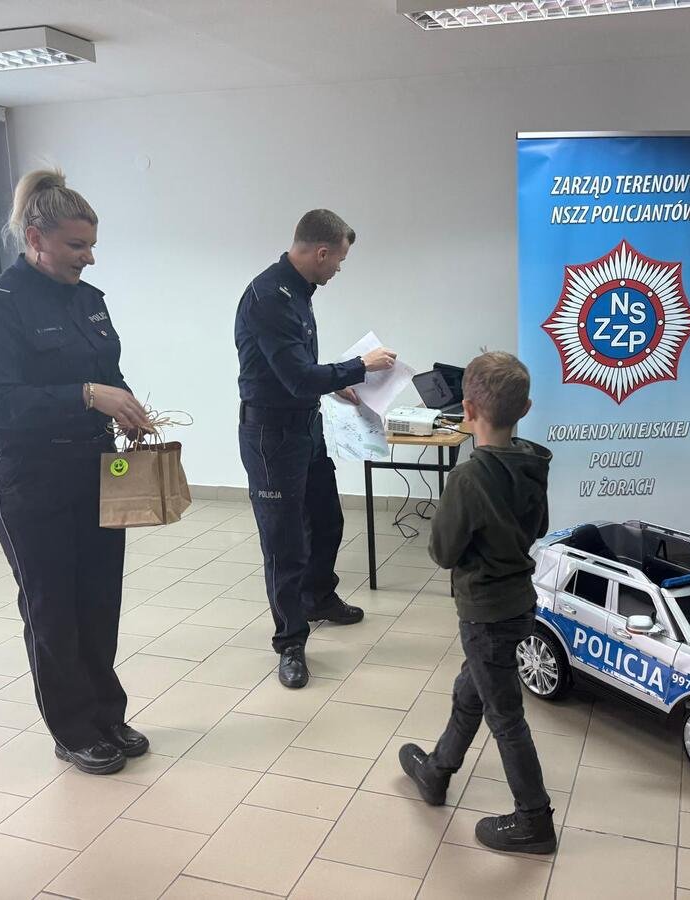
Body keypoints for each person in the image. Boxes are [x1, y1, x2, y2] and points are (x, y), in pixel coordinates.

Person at [0, 169, 153, 776]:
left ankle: (107, 714)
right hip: (28, 477)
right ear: (35, 239)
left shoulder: (89, 301)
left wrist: (126, 407)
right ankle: (72, 728)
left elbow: (105, 373)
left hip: (97, 465)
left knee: (100, 599)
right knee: (52, 607)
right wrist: (87, 395)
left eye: (91, 245)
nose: (89, 258)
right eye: (76, 245)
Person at [398, 351, 557, 854]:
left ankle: (534, 819)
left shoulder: (467, 478)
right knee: (472, 687)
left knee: (505, 716)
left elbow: (443, 552)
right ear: (525, 409)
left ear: (466, 410)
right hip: (519, 601)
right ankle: (438, 771)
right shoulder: (533, 461)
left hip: (485, 610)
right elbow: (540, 527)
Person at [235, 209, 396, 688]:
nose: (339, 269)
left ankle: (319, 598)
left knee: (326, 520)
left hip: (305, 427)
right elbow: (295, 376)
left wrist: (333, 384)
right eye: (339, 260)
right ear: (321, 252)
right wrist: (359, 367)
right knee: (284, 543)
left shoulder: (299, 292)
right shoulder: (269, 297)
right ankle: (290, 642)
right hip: (271, 437)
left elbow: (297, 368)